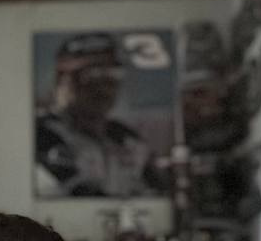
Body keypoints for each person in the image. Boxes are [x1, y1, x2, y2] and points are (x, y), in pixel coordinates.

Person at [35, 33, 165, 197]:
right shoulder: (42, 136)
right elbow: (75, 195)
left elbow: (158, 193)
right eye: (90, 74)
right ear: (61, 80)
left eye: (112, 73)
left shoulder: (128, 140)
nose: (103, 87)